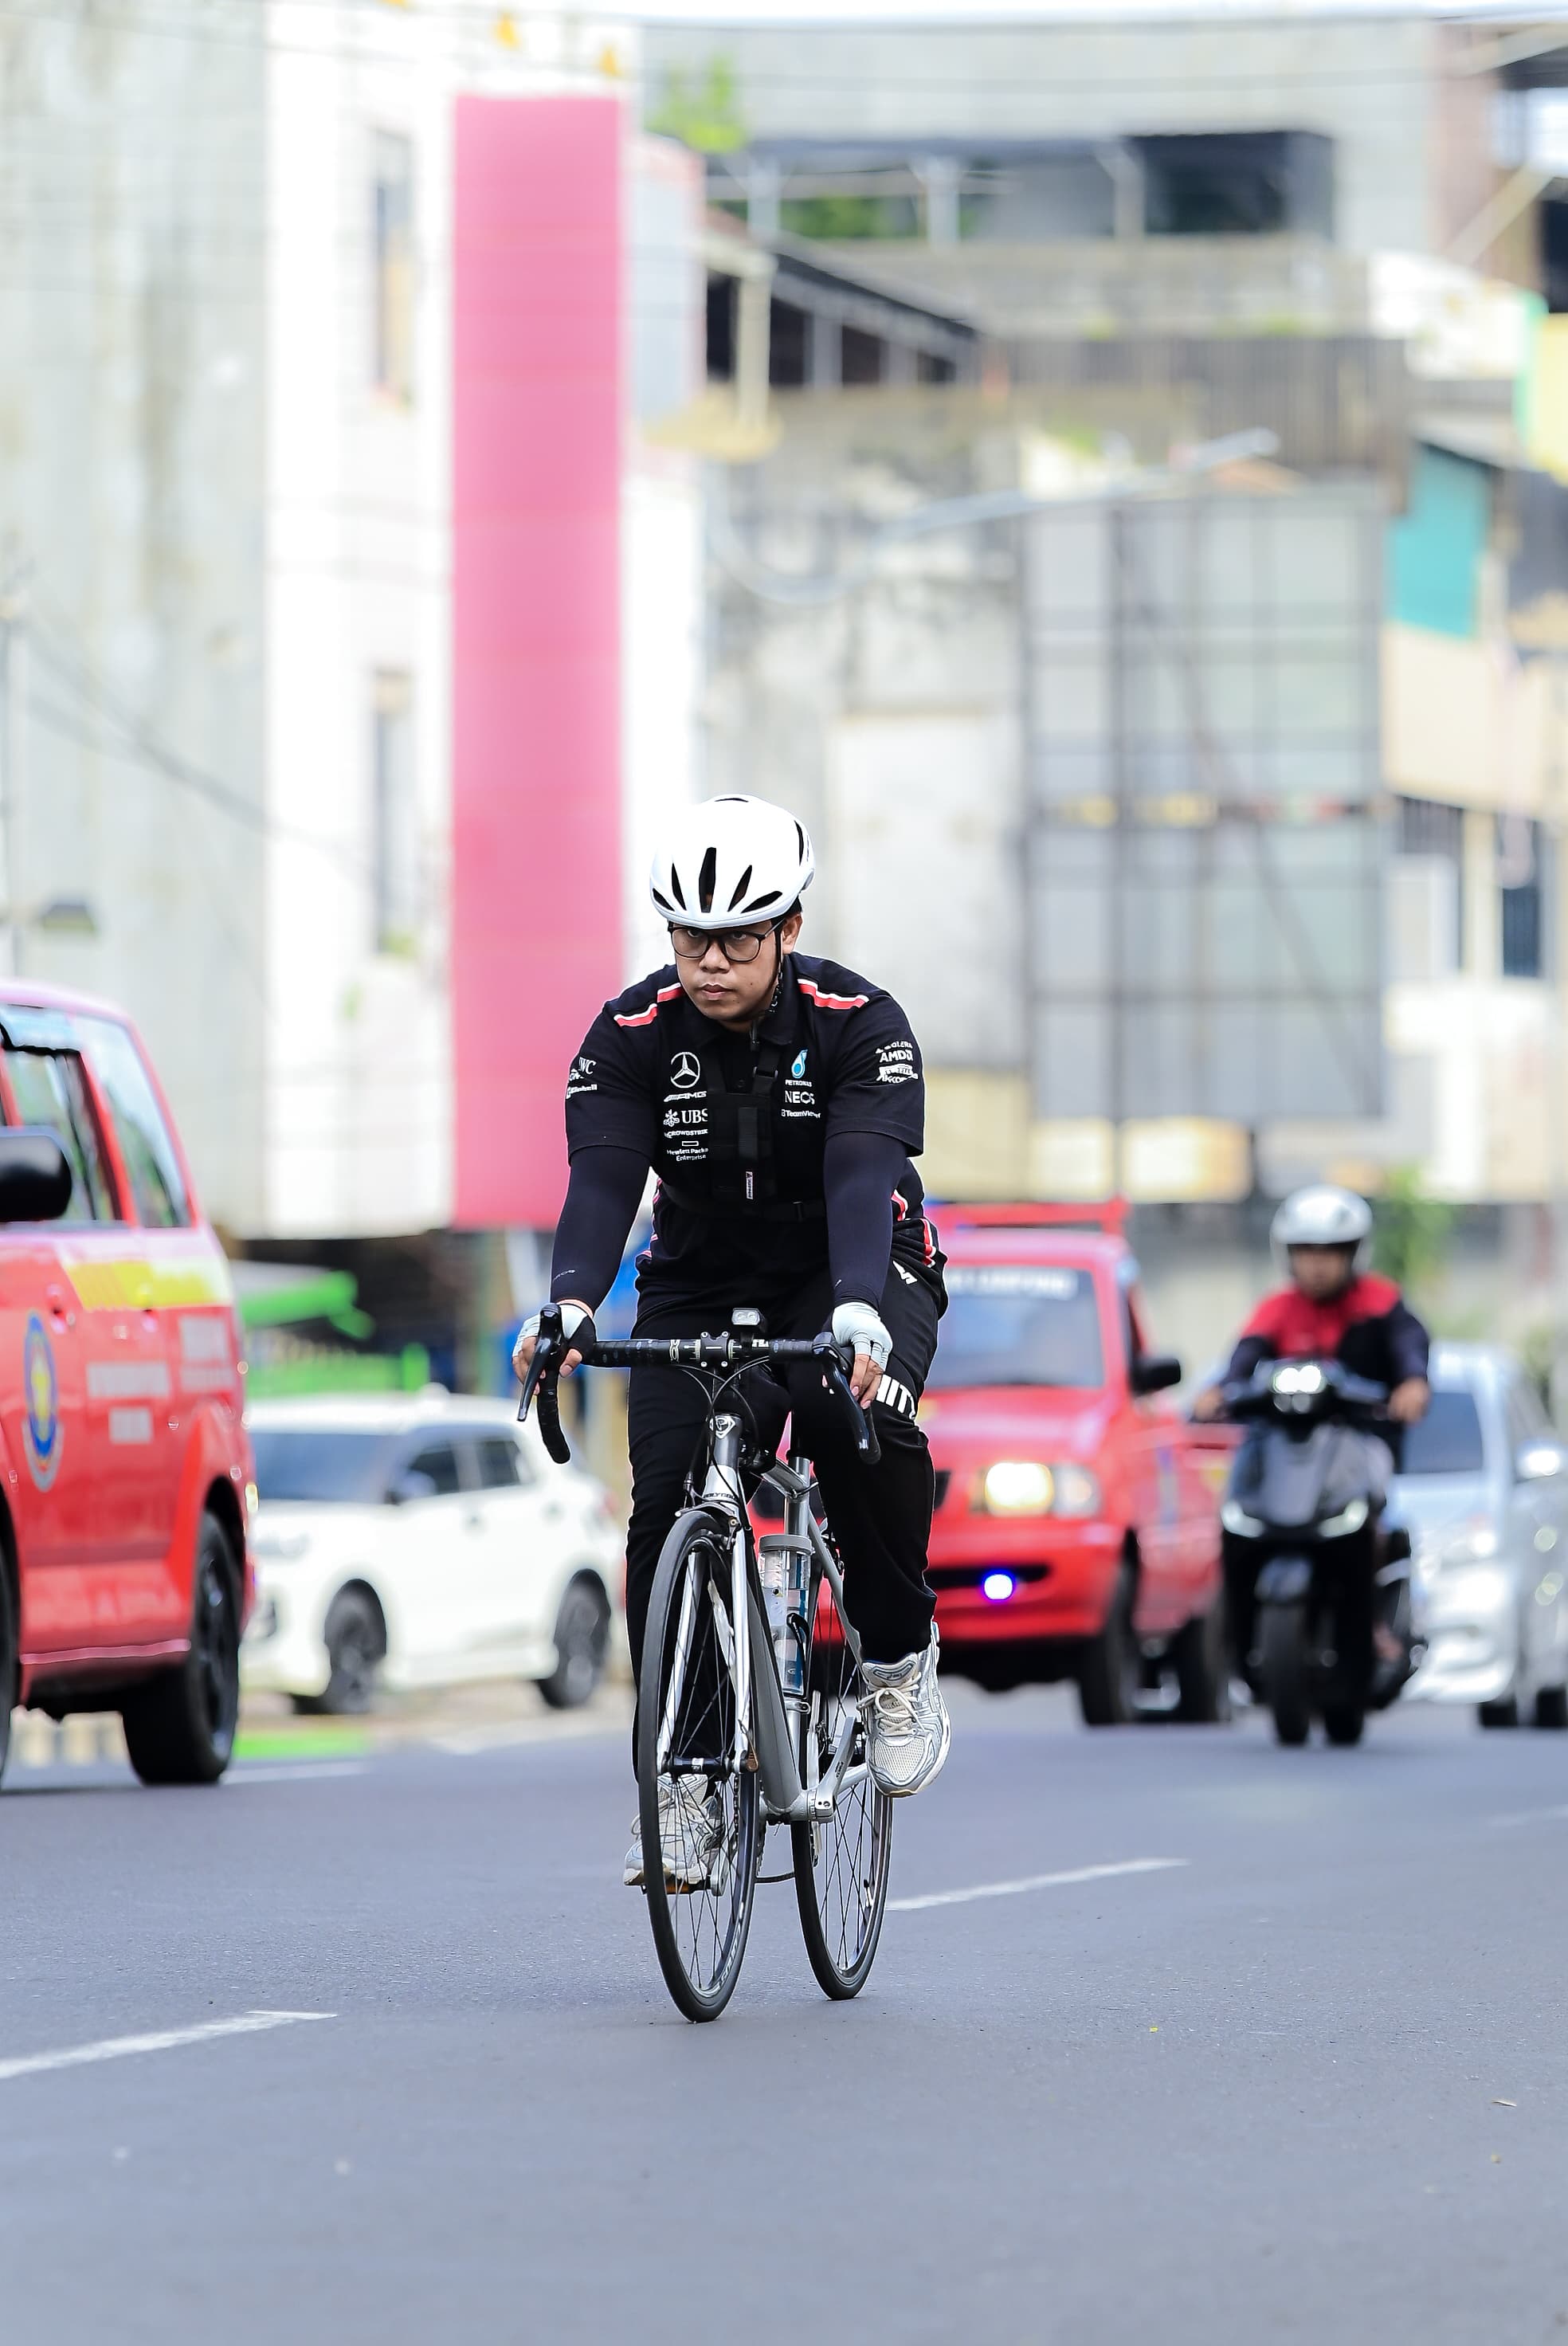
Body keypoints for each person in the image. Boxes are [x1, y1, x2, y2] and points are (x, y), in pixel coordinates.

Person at [513, 793, 950, 1889]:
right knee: (668, 1510)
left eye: (739, 940)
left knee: (866, 1429)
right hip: (701, 1277)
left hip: (854, 1264)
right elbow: (603, 1181)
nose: (711, 963)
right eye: (688, 939)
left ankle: (895, 1656)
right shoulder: (631, 1037)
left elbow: (861, 1175)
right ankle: (689, 1783)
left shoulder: (861, 1022)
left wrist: (856, 1307)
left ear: (789, 930)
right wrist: (569, 1306)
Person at [1191, 1183, 1430, 1682]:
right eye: (1307, 1252)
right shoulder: (1277, 1309)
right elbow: (1242, 1361)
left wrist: (1411, 1384)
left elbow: (1410, 1348)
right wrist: (1218, 1392)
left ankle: (1373, 1621)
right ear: (1288, 1255)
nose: (1318, 1264)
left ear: (1353, 1254)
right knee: (1235, 1518)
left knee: (1375, 1521)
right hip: (1283, 1449)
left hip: (1359, 1443)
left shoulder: (1381, 1303)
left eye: (1331, 1252)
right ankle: (1235, 1633)